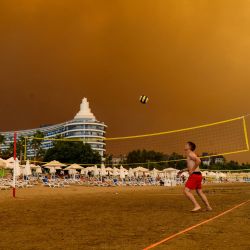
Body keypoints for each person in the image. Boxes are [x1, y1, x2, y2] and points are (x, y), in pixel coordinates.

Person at [178, 142, 212, 212]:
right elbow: (191, 166)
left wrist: (192, 170)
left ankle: (197, 205)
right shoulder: (190, 154)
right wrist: (182, 170)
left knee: (186, 191)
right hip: (198, 174)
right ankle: (208, 207)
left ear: (190, 147)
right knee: (199, 192)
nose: (185, 145)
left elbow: (199, 161)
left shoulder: (190, 154)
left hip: (195, 175)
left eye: (186, 144)